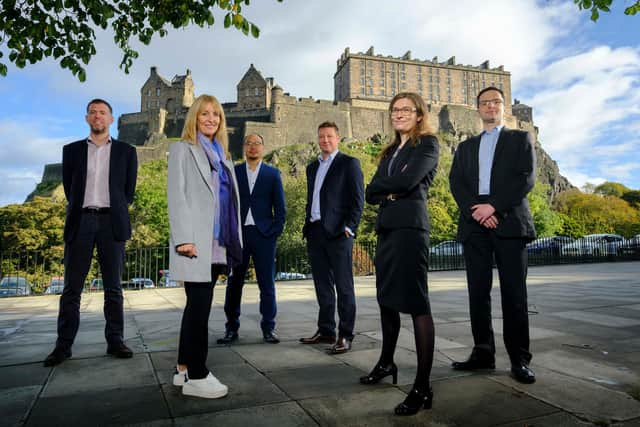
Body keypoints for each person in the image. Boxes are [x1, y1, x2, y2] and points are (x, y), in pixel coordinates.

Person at [449, 86, 537, 384]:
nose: (490, 107)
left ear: (504, 106)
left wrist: (494, 207)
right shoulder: (465, 147)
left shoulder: (519, 138)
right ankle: (483, 352)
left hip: (510, 222)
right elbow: (456, 183)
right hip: (475, 224)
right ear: (478, 109)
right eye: (484, 103)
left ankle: (519, 359)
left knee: (514, 295)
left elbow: (526, 178)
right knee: (478, 294)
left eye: (495, 102)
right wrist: (477, 210)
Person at [361, 93, 439, 416]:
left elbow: (408, 181)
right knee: (386, 300)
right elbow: (370, 193)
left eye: (406, 109)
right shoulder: (390, 151)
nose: (399, 114)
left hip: (410, 230)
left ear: (419, 115)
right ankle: (386, 362)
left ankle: (422, 386)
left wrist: (389, 189)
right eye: (395, 110)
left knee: (417, 303)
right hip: (388, 230)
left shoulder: (428, 145)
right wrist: (391, 189)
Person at [44, 99, 138, 367]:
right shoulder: (71, 151)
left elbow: (127, 192)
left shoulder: (126, 151)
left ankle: (115, 341)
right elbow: (69, 188)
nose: (98, 116)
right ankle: (63, 346)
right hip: (81, 221)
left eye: (103, 113)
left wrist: (114, 210)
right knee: (72, 289)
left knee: (114, 288)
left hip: (112, 223)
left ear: (111, 119)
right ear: (87, 118)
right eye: (93, 112)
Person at [167, 94, 242, 399]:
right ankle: (198, 375)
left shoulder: (223, 154)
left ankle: (183, 368)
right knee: (199, 308)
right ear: (194, 118)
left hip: (217, 242)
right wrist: (183, 238)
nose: (211, 119)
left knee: (196, 307)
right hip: (196, 241)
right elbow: (177, 195)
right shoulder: (183, 149)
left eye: (216, 115)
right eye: (204, 114)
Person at [299, 121, 364, 354]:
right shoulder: (311, 168)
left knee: (344, 287)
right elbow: (312, 199)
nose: (325, 140)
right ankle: (326, 330)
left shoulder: (349, 164)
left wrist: (349, 228)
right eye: (321, 137)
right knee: (322, 286)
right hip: (315, 231)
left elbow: (358, 200)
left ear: (338, 138)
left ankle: (345, 335)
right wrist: (307, 225)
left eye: (329, 136)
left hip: (338, 233)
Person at [217, 133, 286, 345]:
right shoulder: (234, 172)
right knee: (234, 283)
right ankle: (231, 328)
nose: (253, 147)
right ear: (244, 147)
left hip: (264, 236)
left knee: (267, 284)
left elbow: (280, 209)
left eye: (257, 143)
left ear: (263, 148)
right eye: (249, 143)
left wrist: (274, 231)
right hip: (239, 236)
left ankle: (268, 328)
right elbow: (226, 204)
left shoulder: (273, 174)